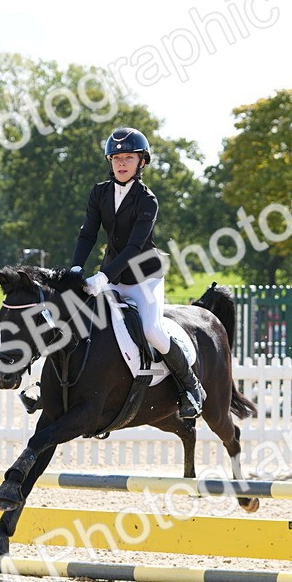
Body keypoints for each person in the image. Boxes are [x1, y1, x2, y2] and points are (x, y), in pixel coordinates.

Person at [71, 126, 204, 419]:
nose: (121, 163)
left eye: (128, 157)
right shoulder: (99, 193)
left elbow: (134, 246)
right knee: (79, 319)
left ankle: (191, 387)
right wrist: (76, 269)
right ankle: (53, 387)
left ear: (141, 162)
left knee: (152, 331)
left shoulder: (147, 199)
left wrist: (103, 278)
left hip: (145, 278)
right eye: (116, 157)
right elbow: (87, 235)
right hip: (112, 275)